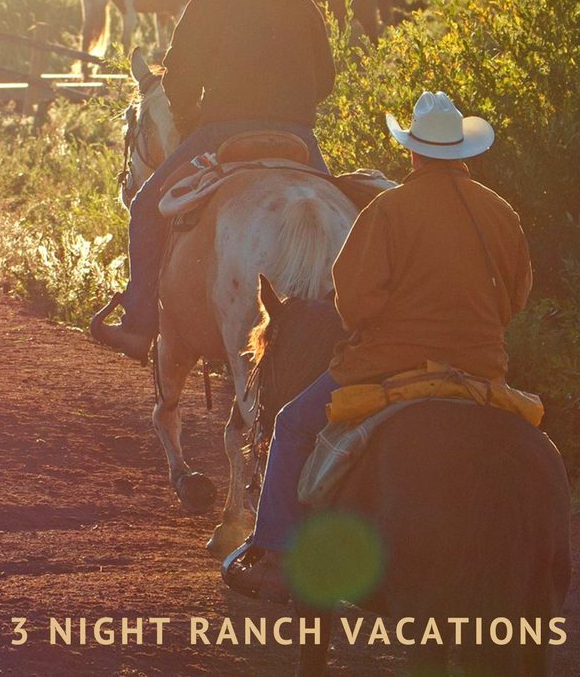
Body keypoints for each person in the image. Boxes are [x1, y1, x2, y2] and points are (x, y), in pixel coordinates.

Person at [221, 90, 533, 602]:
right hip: (483, 369)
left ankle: (273, 554)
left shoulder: (388, 210)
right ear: (461, 152)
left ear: (412, 151)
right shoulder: (502, 214)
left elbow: (355, 305)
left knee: (292, 424)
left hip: (388, 363)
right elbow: (516, 298)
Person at [89, 0, 336, 362]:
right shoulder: (302, 3)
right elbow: (325, 83)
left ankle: (140, 322)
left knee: (145, 206)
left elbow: (178, 78)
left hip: (225, 130)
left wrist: (192, 117)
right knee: (350, 216)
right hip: (298, 137)